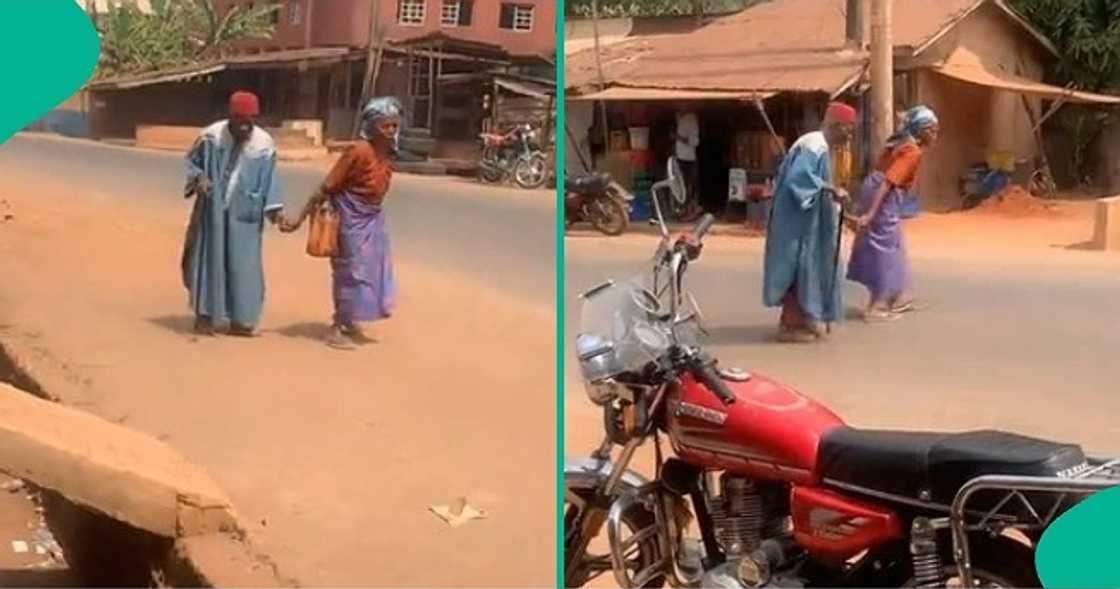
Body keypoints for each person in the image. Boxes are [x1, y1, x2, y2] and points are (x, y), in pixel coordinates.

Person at [282, 97, 400, 349]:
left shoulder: (388, 153)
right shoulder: (359, 151)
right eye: (385, 126)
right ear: (372, 126)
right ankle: (337, 326)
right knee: (350, 270)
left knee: (371, 270)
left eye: (393, 126)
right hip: (350, 217)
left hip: (372, 217)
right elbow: (327, 186)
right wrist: (300, 217)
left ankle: (351, 319)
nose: (390, 131)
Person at [181, 90, 284, 337]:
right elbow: (191, 162)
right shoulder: (210, 137)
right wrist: (199, 178)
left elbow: (271, 180)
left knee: (244, 267)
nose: (245, 126)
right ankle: (205, 317)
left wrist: (275, 212)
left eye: (250, 120)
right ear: (231, 117)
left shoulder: (264, 145)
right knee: (209, 260)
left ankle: (242, 321)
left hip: (245, 215)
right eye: (240, 120)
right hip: (212, 212)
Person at [762, 102, 857, 344]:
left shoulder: (818, 144)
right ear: (837, 126)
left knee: (810, 266)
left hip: (807, 218)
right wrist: (831, 189)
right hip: (797, 221)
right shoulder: (814, 146)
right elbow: (798, 178)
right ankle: (791, 325)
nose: (850, 135)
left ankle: (805, 318)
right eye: (849, 129)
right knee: (799, 267)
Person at [847, 105, 939, 322]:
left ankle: (896, 297)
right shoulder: (912, 151)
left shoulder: (898, 142)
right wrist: (870, 213)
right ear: (920, 130)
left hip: (874, 187)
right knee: (884, 249)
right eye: (931, 129)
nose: (935, 134)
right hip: (885, 195)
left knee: (892, 245)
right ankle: (877, 306)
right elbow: (889, 182)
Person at [674, 109, 701, 217]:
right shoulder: (679, 118)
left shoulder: (690, 119)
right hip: (680, 157)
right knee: (681, 185)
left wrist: (679, 138)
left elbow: (694, 141)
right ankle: (683, 210)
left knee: (689, 185)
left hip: (688, 159)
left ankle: (690, 208)